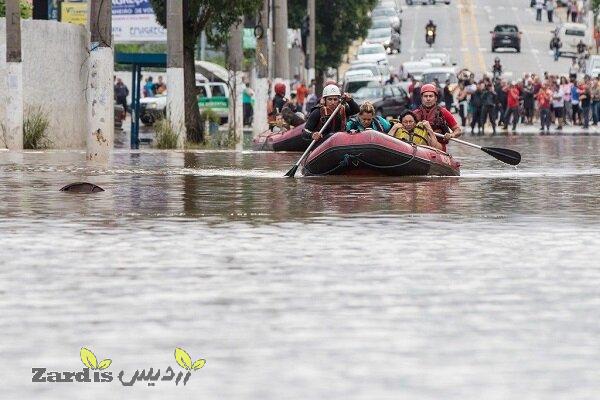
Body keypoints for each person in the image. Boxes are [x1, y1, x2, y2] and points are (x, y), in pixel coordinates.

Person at [412, 83, 461, 152]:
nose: (428, 99)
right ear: (422, 98)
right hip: (419, 145)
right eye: (425, 96)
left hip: (438, 147)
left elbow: (458, 130)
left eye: (431, 96)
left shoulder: (444, 112)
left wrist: (451, 135)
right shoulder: (415, 113)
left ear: (435, 98)